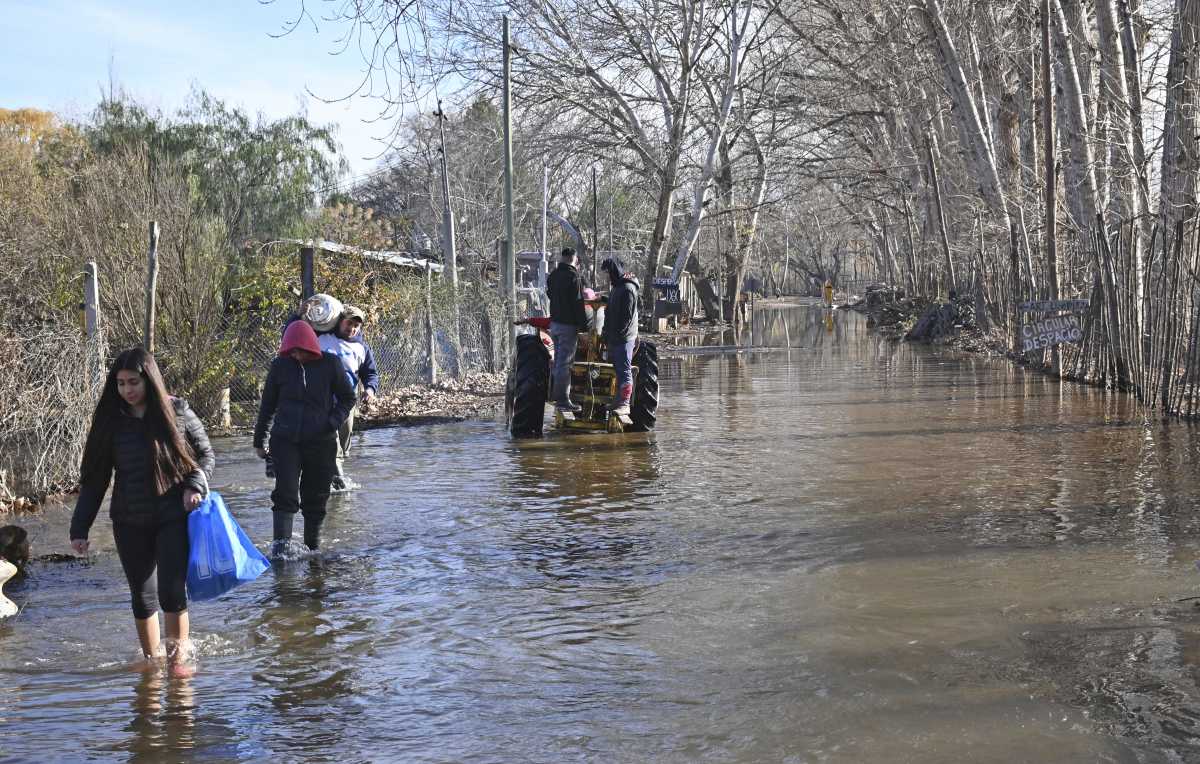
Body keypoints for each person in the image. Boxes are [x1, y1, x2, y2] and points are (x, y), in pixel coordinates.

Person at [69, 348, 215, 670]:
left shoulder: (177, 412)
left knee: (172, 592)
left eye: (133, 382)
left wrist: (194, 486)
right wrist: (79, 528)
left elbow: (205, 456)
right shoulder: (110, 421)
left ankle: (179, 664)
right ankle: (152, 664)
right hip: (128, 519)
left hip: (172, 515)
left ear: (149, 379)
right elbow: (95, 480)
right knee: (142, 596)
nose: (127, 390)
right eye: (120, 384)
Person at [255, 319, 356, 555]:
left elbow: (348, 398)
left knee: (316, 495)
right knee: (285, 493)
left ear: (311, 346)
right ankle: (281, 550)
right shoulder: (280, 366)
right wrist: (259, 440)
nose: (296, 356)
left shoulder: (331, 364)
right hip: (285, 441)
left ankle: (313, 548)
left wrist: (331, 422)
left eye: (300, 351)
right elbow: (267, 405)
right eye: (292, 351)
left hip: (321, 442)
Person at [318, 304, 380, 491]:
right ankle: (340, 483)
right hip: (322, 400)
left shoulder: (361, 348)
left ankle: (330, 473)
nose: (351, 328)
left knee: (343, 445)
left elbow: (371, 374)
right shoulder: (321, 339)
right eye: (348, 323)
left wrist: (370, 390)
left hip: (347, 403)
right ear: (339, 322)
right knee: (330, 441)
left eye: (356, 326)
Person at [546, 247, 589, 413]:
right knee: (565, 363)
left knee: (558, 361)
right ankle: (562, 400)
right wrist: (584, 327)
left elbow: (550, 294)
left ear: (562, 257)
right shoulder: (574, 276)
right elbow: (578, 303)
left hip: (555, 324)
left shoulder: (554, 275)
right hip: (568, 326)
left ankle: (556, 394)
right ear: (574, 258)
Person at [600, 256, 640, 416]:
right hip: (614, 336)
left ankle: (624, 403)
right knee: (617, 369)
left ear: (614, 271)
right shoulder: (617, 288)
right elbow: (610, 311)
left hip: (624, 337)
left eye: (608, 273)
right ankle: (617, 400)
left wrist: (617, 335)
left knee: (624, 370)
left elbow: (627, 317)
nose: (606, 276)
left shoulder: (628, 289)